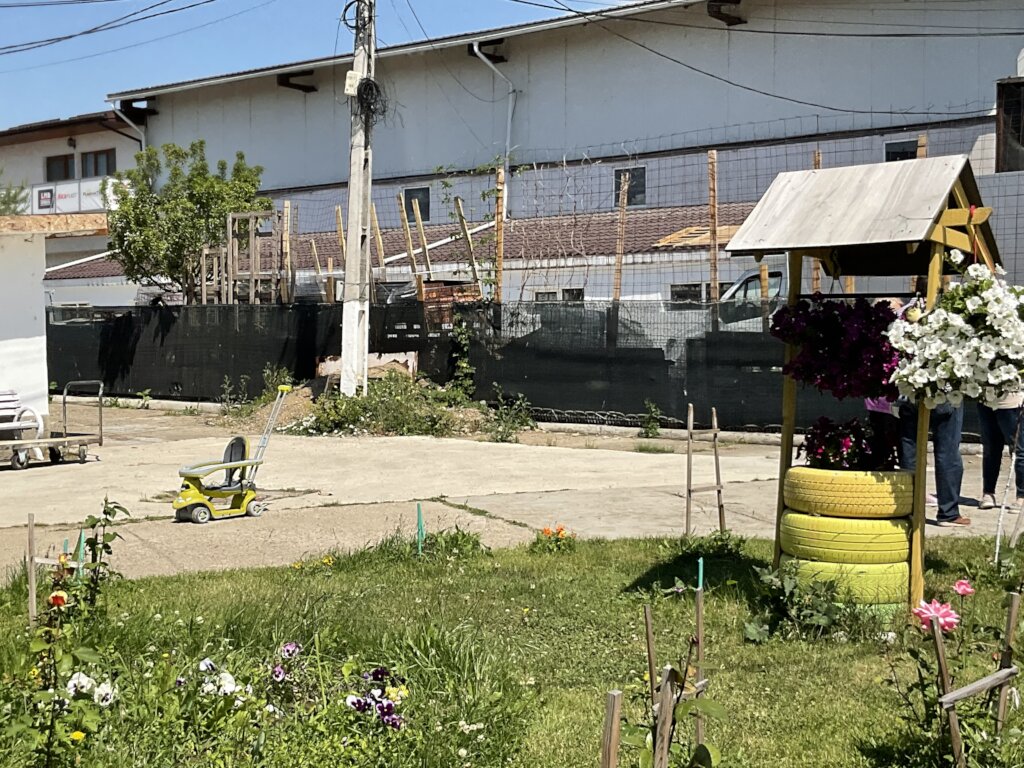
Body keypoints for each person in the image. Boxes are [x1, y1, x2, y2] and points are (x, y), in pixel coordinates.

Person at [977, 392, 1024, 511]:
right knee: (990, 449)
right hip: (986, 400)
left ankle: (1021, 496)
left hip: (1013, 403)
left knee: (1019, 451)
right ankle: (988, 492)